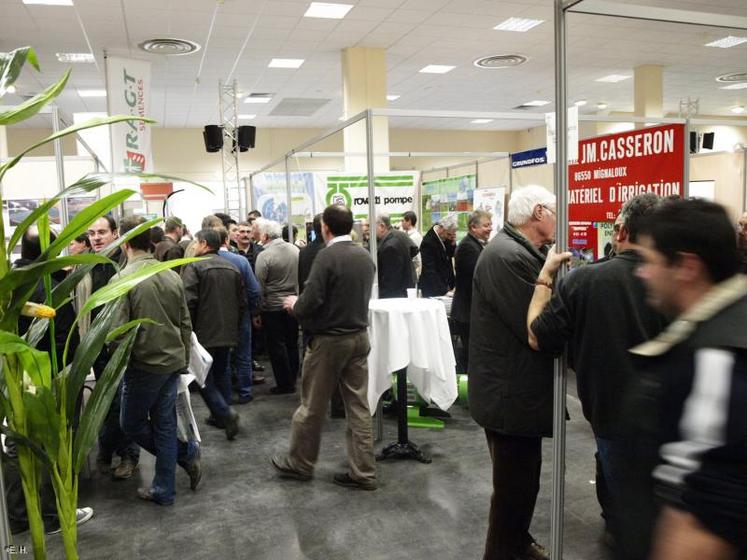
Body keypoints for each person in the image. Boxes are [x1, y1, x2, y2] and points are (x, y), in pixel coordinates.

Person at [526, 194, 666, 558]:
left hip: (612, 416)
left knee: (624, 519)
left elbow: (537, 335)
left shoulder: (585, 281)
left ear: (620, 230)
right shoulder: (679, 282)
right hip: (669, 422)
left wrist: (544, 280)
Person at [630, 199, 747, 560]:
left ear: (686, 266)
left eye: (649, 262)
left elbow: (698, 522)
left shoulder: (716, 360)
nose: (641, 273)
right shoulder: (721, 328)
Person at [468, 185, 557, 560]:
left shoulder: (516, 251)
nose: (559, 217)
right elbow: (538, 329)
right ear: (539, 212)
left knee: (522, 485)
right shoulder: (508, 256)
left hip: (514, 391)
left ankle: (517, 543)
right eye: (554, 210)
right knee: (513, 490)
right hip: (509, 395)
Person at [271, 204, 377, 490]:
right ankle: (363, 471)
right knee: (358, 407)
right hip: (359, 337)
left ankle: (300, 463)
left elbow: (311, 300)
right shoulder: (365, 256)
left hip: (330, 341)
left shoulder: (326, 256)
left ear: (324, 228)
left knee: (312, 406)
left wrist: (294, 305)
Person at [112, 216, 202, 505]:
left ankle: (185, 456)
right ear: (151, 241)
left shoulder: (123, 280)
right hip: (173, 361)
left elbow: (118, 333)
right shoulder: (170, 275)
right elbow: (185, 324)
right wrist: (183, 360)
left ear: (125, 242)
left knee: (132, 423)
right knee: (164, 422)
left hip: (144, 365)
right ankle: (165, 487)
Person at [76, 216, 140, 480]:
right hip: (96, 343)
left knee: (123, 403)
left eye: (102, 232)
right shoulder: (85, 264)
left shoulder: (125, 263)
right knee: (103, 400)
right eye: (92, 233)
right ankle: (106, 448)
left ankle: (128, 454)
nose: (96, 237)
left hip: (123, 343)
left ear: (116, 233)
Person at [181, 228, 245, 440]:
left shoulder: (194, 266)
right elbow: (241, 301)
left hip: (203, 333)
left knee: (202, 376)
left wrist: (185, 331)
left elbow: (188, 302)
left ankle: (225, 413)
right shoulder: (233, 267)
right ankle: (221, 414)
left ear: (203, 243)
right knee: (221, 371)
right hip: (227, 331)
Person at [215, 226, 261, 404]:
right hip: (241, 312)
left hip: (216, 316)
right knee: (243, 353)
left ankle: (224, 398)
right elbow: (254, 289)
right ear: (227, 240)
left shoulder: (200, 262)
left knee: (222, 356)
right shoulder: (240, 261)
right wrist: (254, 310)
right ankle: (245, 392)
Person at [254, 219, 300, 394]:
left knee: (276, 345)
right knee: (292, 342)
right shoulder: (295, 250)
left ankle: (284, 383)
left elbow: (259, 285)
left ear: (265, 236)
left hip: (272, 307)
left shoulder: (264, 255)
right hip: (293, 304)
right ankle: (294, 378)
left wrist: (258, 310)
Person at [451, 209, 492, 372]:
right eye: (485, 225)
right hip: (467, 312)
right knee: (470, 355)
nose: (489, 228)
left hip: (470, 310)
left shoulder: (476, 245)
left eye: (490, 225)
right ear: (473, 228)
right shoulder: (468, 247)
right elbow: (478, 277)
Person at [375, 213, 418, 299]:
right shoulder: (398, 235)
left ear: (382, 226)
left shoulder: (390, 246)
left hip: (395, 297)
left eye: (369, 226)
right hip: (403, 291)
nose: (366, 229)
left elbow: (391, 281)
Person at [418, 214, 457, 297]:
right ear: (441, 228)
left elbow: (450, 255)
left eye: (452, 235)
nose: (450, 237)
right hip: (432, 289)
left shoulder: (445, 236)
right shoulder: (428, 242)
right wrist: (444, 291)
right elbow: (430, 270)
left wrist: (453, 243)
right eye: (449, 234)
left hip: (446, 284)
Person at [401, 210, 423, 278]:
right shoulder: (407, 235)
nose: (401, 223)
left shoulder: (414, 237)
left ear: (409, 222)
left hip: (413, 273)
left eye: (403, 221)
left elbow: (417, 259)